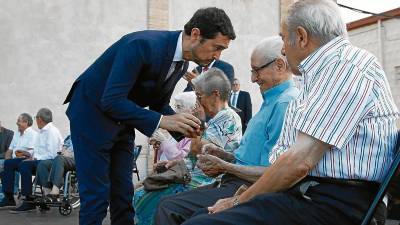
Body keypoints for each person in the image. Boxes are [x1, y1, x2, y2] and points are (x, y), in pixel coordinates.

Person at [179, 1, 400, 225]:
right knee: (202, 216)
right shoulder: (319, 76)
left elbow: (300, 162)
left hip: (335, 202)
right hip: (308, 193)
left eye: (284, 37)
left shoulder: (346, 67)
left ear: (302, 37)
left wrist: (239, 201)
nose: (283, 49)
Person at [63, 7, 236, 225]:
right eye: (217, 47)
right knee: (96, 196)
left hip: (121, 118)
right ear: (195, 34)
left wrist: (185, 130)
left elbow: (158, 104)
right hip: (91, 114)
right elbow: (111, 100)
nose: (217, 56)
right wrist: (164, 121)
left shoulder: (181, 64)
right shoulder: (142, 46)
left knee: (124, 194)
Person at [155, 36, 299, 225]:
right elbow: (247, 157)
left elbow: (273, 172)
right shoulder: (272, 101)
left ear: (280, 65)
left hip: (246, 186)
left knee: (170, 207)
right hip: (232, 180)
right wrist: (223, 156)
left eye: (256, 71)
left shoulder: (284, 104)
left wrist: (225, 166)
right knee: (168, 204)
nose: (252, 78)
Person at [135, 68, 242, 225]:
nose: (197, 103)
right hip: (194, 176)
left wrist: (200, 122)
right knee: (142, 192)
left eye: (199, 96)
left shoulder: (226, 117)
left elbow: (198, 150)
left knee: (148, 198)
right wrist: (177, 163)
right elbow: (193, 156)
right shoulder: (216, 118)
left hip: (206, 182)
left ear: (215, 94)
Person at [0, 114, 37, 206]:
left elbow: (31, 153)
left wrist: (23, 153)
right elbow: (9, 150)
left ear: (26, 122)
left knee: (22, 165)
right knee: (7, 163)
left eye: (19, 121)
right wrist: (7, 160)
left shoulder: (33, 134)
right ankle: (9, 197)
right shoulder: (16, 134)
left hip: (28, 160)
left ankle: (27, 199)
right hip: (16, 159)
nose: (17, 123)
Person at [36, 135, 75, 200]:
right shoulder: (70, 136)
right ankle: (47, 193)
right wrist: (63, 151)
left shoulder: (85, 135)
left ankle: (55, 190)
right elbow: (64, 147)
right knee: (43, 164)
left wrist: (70, 154)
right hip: (63, 158)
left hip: (76, 160)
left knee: (59, 159)